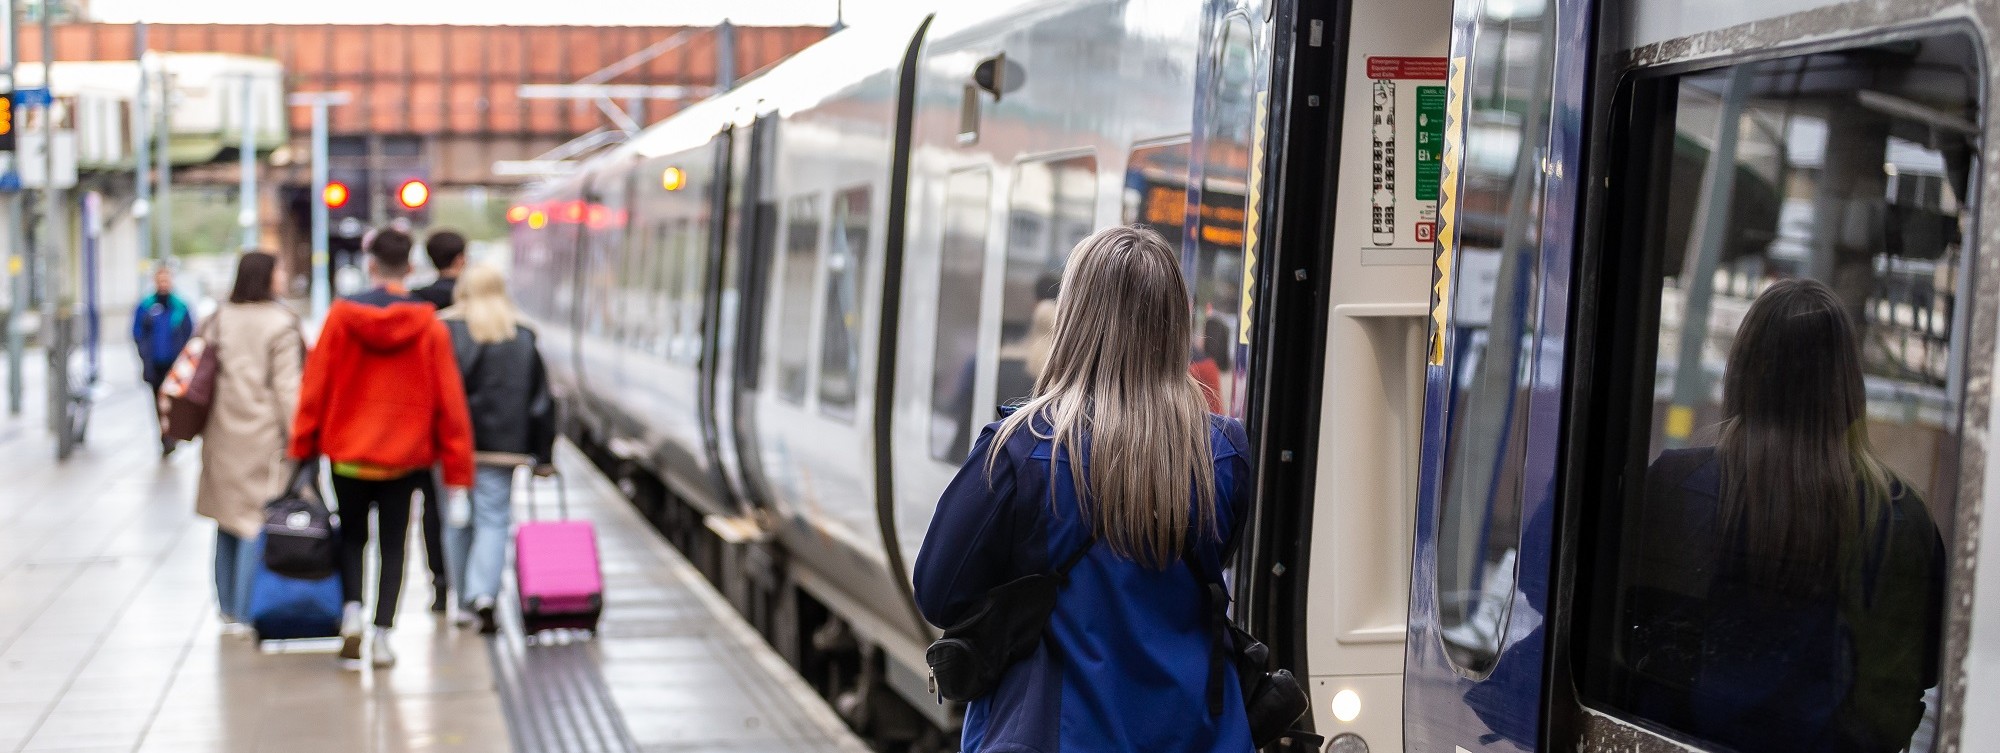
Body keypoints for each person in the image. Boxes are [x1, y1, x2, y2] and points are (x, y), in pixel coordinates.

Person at [913, 225, 1254, 753]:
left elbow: (939, 590)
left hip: (1053, 736)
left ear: (1074, 319)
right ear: (1173, 325)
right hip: (1196, 735)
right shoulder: (1224, 454)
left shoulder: (1021, 452)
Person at [1624, 278, 1946, 752]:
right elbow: (1916, 677)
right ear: (1848, 388)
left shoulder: (1679, 485)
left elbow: (1573, 597)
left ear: (1742, 373)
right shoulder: (1902, 518)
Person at [289, 228, 474, 669]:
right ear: (411, 268)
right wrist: (458, 475)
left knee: (352, 537)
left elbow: (314, 387)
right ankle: (384, 634)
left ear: (370, 266)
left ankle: (351, 613)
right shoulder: (428, 324)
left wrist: (302, 449)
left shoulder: (339, 317)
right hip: (403, 458)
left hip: (348, 456)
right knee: (394, 544)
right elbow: (450, 403)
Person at [438, 264, 556, 634]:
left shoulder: (444, 330)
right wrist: (544, 455)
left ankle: (461, 602)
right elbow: (541, 402)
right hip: (502, 449)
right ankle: (484, 595)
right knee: (493, 520)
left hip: (452, 446)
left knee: (456, 522)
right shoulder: (521, 334)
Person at [193, 251, 303, 631]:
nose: (285, 274)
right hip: (263, 436)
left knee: (226, 520)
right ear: (266, 276)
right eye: (281, 269)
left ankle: (225, 608)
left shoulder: (218, 318)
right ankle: (244, 610)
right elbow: (288, 389)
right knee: (253, 522)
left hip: (221, 434)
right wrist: (300, 439)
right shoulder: (280, 324)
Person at [410, 229, 469, 612]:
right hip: (468, 420)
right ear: (461, 259)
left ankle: (440, 583)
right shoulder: (475, 304)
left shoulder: (417, 303)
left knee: (431, 505)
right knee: (475, 505)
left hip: (425, 420)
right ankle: (471, 584)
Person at [132, 266, 194, 456]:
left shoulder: (180, 307)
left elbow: (190, 334)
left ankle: (172, 433)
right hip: (155, 364)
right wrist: (145, 355)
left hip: (175, 365)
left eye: (167, 280)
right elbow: (138, 334)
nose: (164, 283)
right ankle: (164, 435)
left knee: (173, 400)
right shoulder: (146, 307)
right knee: (157, 400)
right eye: (161, 280)